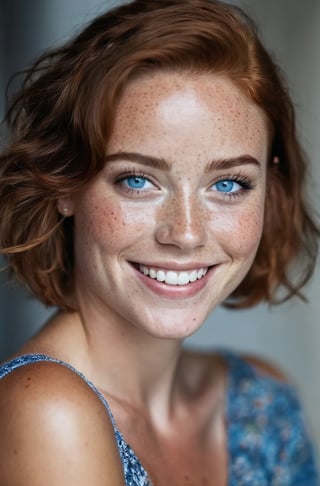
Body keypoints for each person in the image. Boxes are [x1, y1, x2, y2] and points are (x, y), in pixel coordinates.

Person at [0, 0, 319, 484]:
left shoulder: (261, 399)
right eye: (137, 180)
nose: (186, 232)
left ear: (270, 189)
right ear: (65, 183)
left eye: (228, 184)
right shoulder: (46, 407)